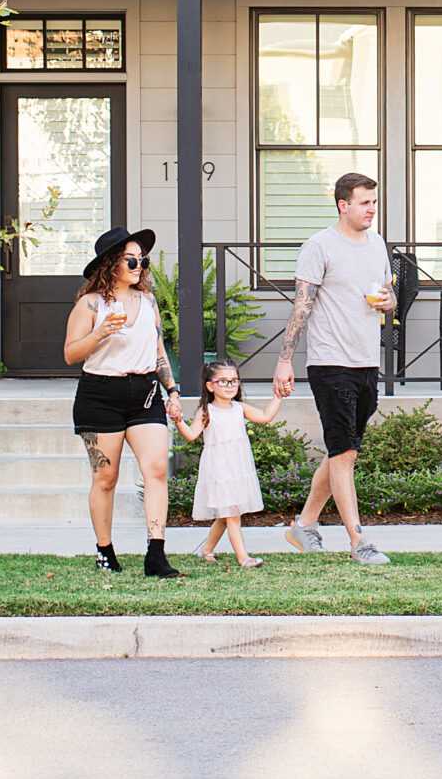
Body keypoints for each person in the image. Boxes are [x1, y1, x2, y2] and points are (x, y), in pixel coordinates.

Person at [272, 172, 394, 566]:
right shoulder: (319, 246)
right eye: (364, 202)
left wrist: (388, 302)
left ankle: (304, 524)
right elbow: (301, 307)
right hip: (330, 363)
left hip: (366, 361)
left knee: (344, 451)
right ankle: (359, 540)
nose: (371, 209)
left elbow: (386, 293)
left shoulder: (377, 244)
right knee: (343, 453)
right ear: (343, 205)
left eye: (374, 202)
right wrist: (285, 360)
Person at [63, 226, 183, 578]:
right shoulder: (90, 304)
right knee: (106, 477)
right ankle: (105, 550)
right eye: (132, 259)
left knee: (157, 469)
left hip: (145, 392)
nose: (139, 265)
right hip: (100, 394)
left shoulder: (148, 302)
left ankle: (156, 553)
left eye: (142, 260)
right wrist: (100, 332)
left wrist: (172, 390)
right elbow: (71, 353)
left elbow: (158, 350)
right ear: (112, 263)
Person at [175, 364, 284, 565]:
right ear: (210, 386)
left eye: (234, 380)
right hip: (218, 470)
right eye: (223, 381)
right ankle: (243, 558)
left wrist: (278, 396)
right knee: (232, 514)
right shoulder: (207, 411)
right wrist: (178, 420)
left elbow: (265, 417)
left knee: (226, 514)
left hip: (238, 467)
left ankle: (206, 550)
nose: (230, 385)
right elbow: (191, 435)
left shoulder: (239, 408)